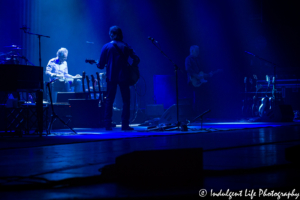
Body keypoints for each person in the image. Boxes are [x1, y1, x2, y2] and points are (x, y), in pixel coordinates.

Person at [97, 26, 140, 131]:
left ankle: (107, 124)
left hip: (111, 77)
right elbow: (137, 59)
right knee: (126, 101)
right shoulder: (126, 46)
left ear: (112, 34)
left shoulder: (106, 46)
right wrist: (132, 67)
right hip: (124, 76)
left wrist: (99, 64)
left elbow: (101, 65)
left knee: (109, 100)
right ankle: (125, 124)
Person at [185, 45, 213, 115]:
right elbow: (188, 69)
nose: (198, 52)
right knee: (196, 97)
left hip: (198, 81)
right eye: (196, 51)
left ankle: (200, 114)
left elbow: (200, 72)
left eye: (198, 51)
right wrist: (196, 76)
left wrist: (207, 74)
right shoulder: (188, 59)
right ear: (192, 51)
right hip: (192, 81)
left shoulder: (197, 60)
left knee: (200, 98)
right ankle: (195, 114)